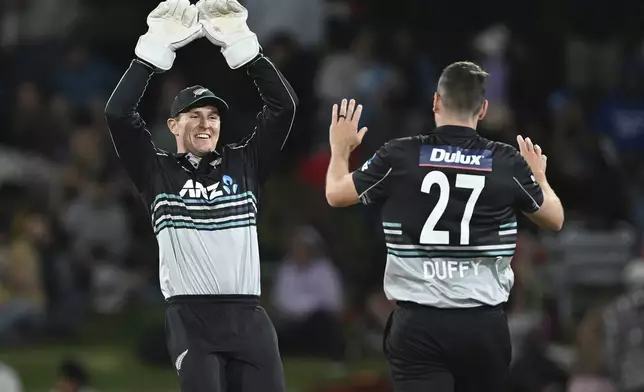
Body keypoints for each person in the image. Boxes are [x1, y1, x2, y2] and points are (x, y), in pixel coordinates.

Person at [324, 61, 564, 392]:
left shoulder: (400, 155)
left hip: (419, 324)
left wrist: (340, 150)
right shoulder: (506, 161)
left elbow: (336, 194)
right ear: (483, 109)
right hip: (483, 326)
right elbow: (554, 218)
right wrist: (540, 177)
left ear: (436, 101)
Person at [103, 0, 298, 391]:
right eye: (194, 115)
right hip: (191, 318)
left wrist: (244, 48)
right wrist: (152, 52)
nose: (205, 123)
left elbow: (284, 107)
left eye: (213, 116)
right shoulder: (155, 171)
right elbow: (117, 114)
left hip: (249, 317)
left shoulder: (246, 163)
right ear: (173, 125)